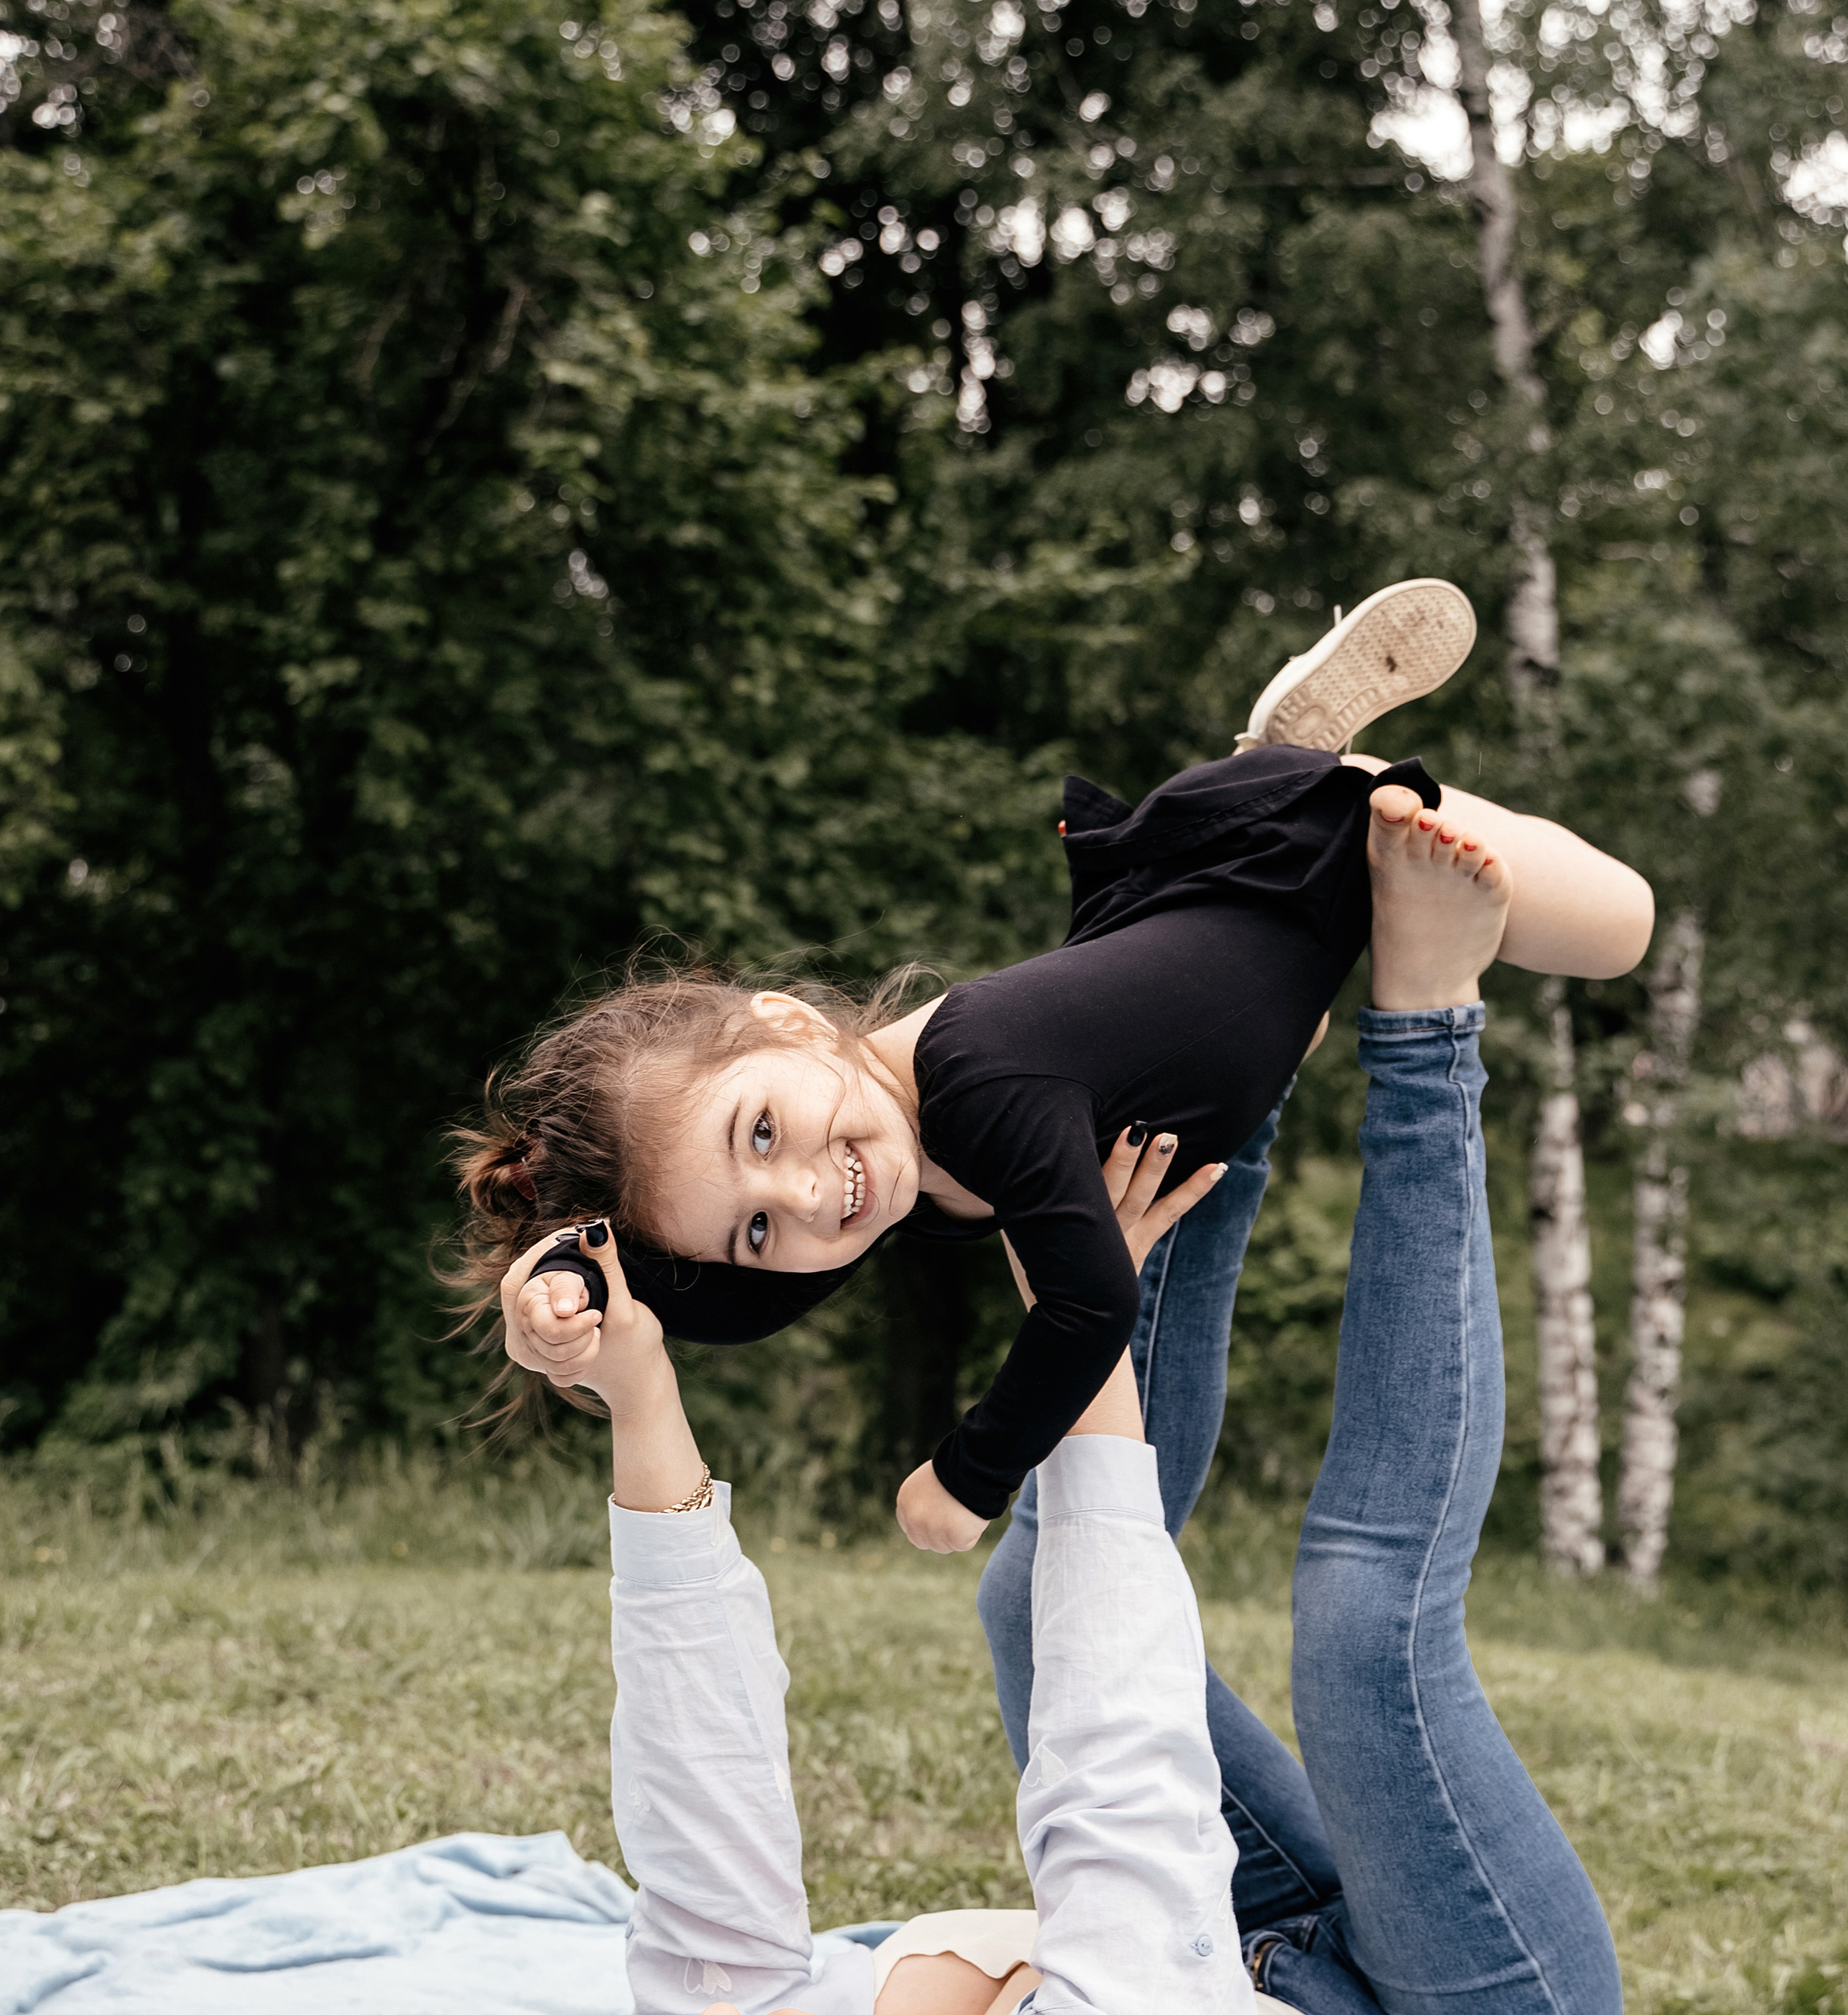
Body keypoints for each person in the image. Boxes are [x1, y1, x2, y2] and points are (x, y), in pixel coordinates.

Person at [252, 792, 1627, 2015]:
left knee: (1019, 1596)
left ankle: (1230, 1075)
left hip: (1253, 1967)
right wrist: (1087, 1312)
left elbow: (700, 1784)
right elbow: (1118, 1785)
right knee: (1360, 1634)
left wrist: (635, 1395)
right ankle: (1427, 1014)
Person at [452, 583, 1653, 1553]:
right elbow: (725, 1302)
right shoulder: (889, 1150)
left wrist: (964, 1480)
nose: (808, 1196)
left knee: (1620, 929)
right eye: (759, 1228)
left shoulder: (980, 1087)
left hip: (1296, 860)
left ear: (791, 1025)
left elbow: (1090, 1306)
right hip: (1193, 932)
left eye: (761, 1134)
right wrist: (566, 1288)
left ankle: (1306, 763)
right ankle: (1276, 745)